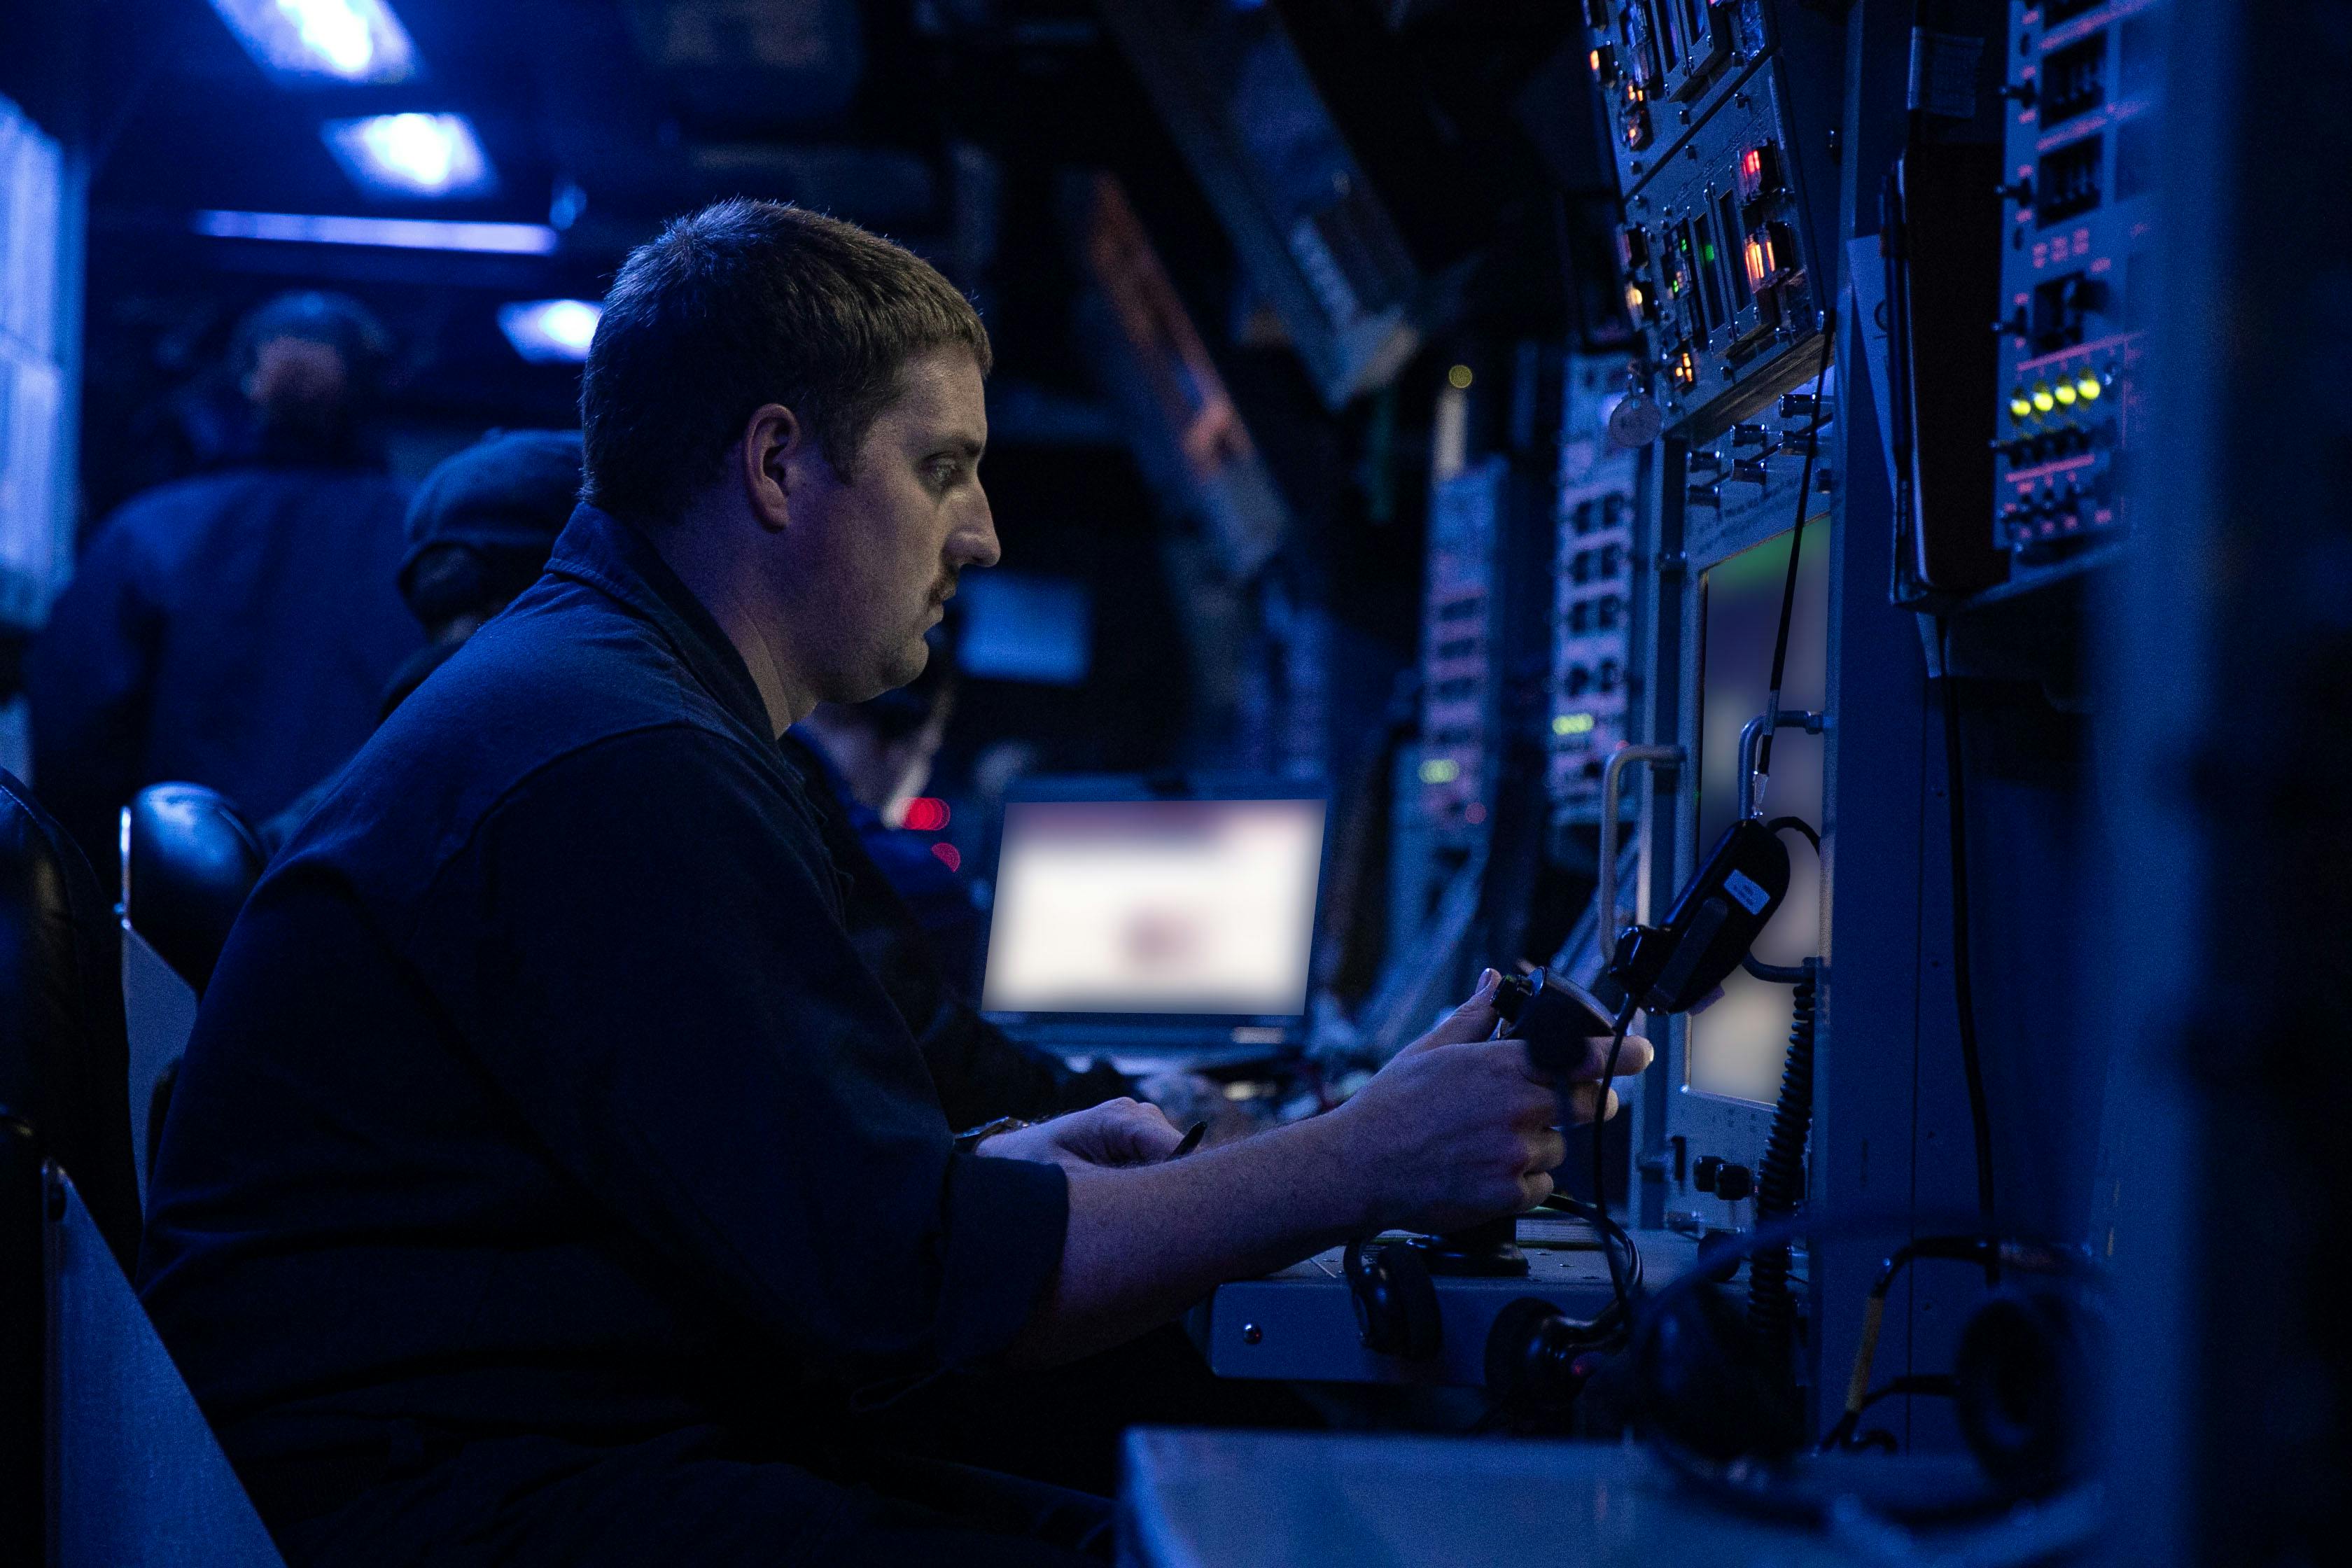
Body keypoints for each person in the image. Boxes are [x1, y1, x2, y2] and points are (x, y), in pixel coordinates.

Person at [139, 200, 1648, 1566]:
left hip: (534, 1440)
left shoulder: (609, 704)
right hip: (455, 1501)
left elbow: (824, 1213)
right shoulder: (614, 756)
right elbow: (910, 1291)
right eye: (943, 470)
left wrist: (1006, 1159)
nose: (981, 535)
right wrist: (1365, 1158)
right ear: (781, 463)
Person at [23, 292, 421, 868]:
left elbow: (76, 738)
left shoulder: (148, 534)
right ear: (373, 390)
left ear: (245, 385)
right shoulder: (430, 537)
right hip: (383, 894)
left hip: (186, 905)